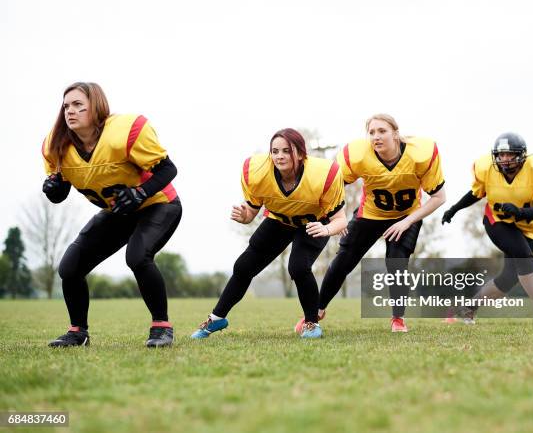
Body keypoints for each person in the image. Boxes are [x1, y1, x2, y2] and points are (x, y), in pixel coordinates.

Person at [42, 82, 181, 348]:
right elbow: (60, 195)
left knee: (138, 256)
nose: (70, 111)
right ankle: (78, 332)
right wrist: (54, 190)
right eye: (66, 106)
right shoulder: (57, 145)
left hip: (159, 204)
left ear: (96, 107)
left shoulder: (124, 131)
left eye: (78, 105)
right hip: (118, 211)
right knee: (70, 267)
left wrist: (141, 192)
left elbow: (168, 169)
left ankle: (161, 327)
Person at [295, 113, 446, 333]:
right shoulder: (358, 154)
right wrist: (339, 216)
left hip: (407, 214)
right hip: (371, 213)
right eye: (372, 132)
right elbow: (332, 187)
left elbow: (439, 198)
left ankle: (398, 318)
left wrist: (406, 222)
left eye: (382, 131)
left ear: (395, 133)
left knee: (397, 263)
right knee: (343, 259)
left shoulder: (420, 153)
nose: (376, 136)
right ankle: (317, 310)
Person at [190, 128, 347, 339]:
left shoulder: (323, 174)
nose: (279, 156)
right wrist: (244, 215)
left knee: (299, 267)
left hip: (314, 223)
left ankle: (311, 322)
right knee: (243, 267)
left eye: (286, 151)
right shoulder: (258, 171)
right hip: (279, 220)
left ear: (300, 153)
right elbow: (251, 213)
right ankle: (217, 318)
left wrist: (326, 229)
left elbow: (341, 220)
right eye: (275, 151)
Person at [441, 132, 533, 324]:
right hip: (497, 221)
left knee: (508, 278)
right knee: (524, 256)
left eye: (510, 154)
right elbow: (476, 193)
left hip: (526, 226)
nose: (504, 159)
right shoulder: (485, 168)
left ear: (521, 155)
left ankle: (469, 308)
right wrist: (454, 209)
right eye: (501, 155)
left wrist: (518, 212)